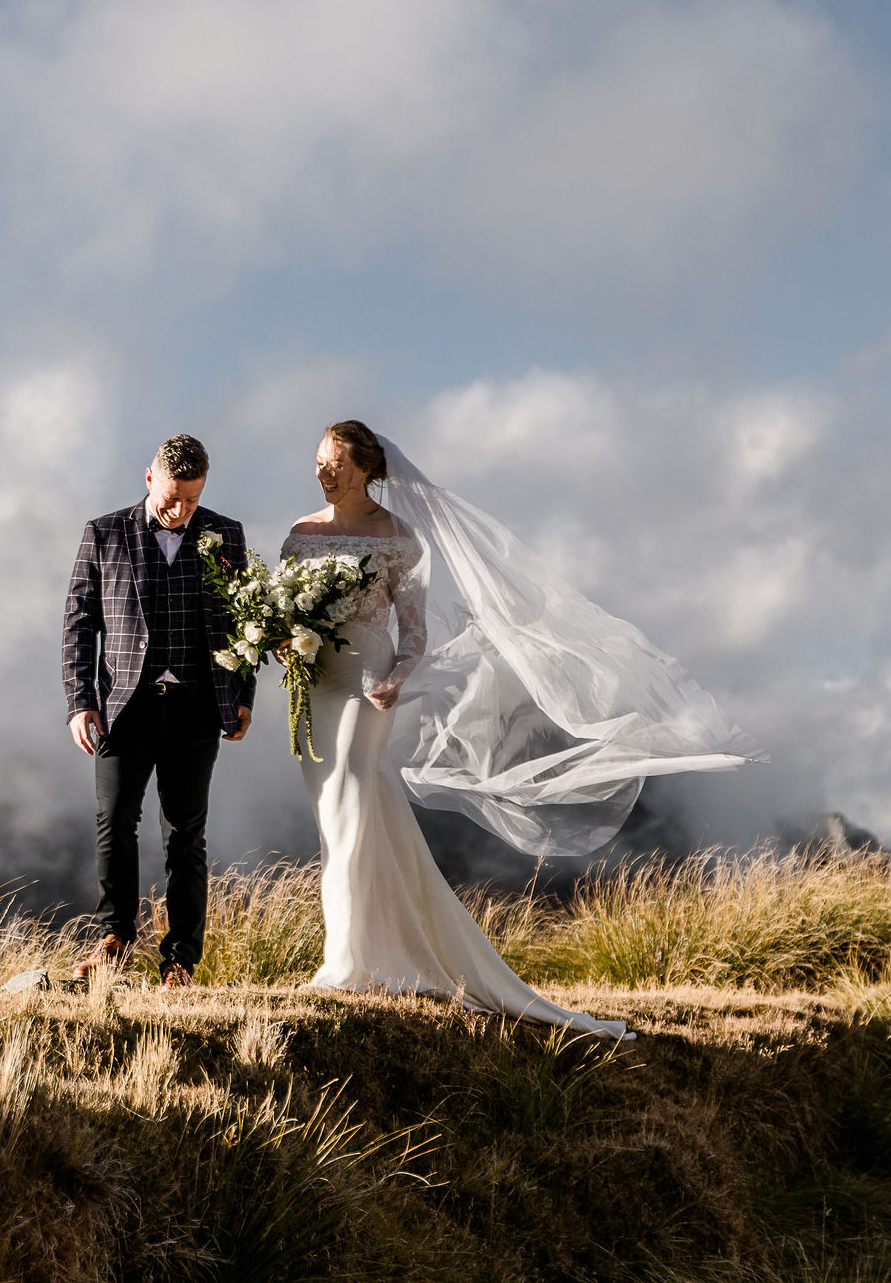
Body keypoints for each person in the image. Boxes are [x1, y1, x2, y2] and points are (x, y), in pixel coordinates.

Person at [282, 420, 759, 1037]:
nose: (323, 472)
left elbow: (415, 631)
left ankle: (345, 961)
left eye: (337, 463)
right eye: (320, 460)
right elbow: (282, 607)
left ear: (368, 470)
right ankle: (384, 949)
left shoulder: (398, 537)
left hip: (370, 686)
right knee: (341, 811)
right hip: (312, 686)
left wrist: (397, 676)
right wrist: (279, 639)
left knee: (351, 790)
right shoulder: (301, 532)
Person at [64, 434, 254, 986]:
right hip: (123, 706)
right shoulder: (103, 533)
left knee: (185, 834)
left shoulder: (227, 535)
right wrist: (80, 702)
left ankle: (180, 961)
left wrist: (243, 695)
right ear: (149, 479)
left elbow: (245, 623)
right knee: (115, 819)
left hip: (198, 705)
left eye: (192, 500)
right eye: (172, 497)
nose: (181, 511)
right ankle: (113, 938)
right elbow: (79, 625)